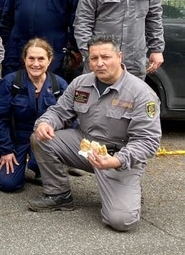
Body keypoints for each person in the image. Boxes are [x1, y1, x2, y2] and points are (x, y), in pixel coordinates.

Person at [29, 35, 161, 232]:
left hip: (118, 156)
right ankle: (59, 195)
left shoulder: (142, 94)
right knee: (40, 137)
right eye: (93, 58)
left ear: (119, 56)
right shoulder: (81, 83)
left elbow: (148, 141)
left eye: (106, 57)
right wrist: (45, 123)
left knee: (121, 221)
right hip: (85, 146)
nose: (99, 63)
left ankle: (128, 186)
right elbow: (59, 111)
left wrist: (116, 161)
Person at [0, 38, 68, 192]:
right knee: (8, 184)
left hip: (45, 140)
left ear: (50, 60)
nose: (36, 64)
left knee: (53, 181)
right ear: (24, 59)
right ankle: (16, 164)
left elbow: (70, 119)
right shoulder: (11, 82)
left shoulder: (59, 85)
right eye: (31, 58)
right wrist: (5, 150)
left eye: (41, 59)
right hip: (15, 139)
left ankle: (38, 166)